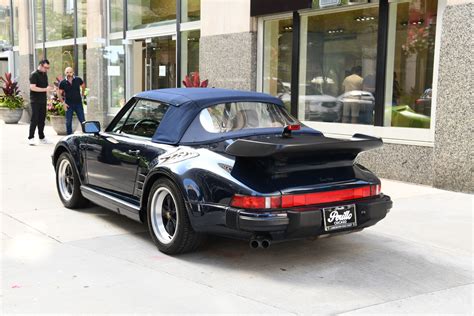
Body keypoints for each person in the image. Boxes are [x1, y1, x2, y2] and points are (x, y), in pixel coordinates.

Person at [28, 59, 54, 145]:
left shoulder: (44, 74)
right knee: (34, 119)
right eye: (46, 67)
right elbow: (32, 87)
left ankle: (41, 138)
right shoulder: (34, 75)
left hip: (43, 100)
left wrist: (50, 95)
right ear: (41, 65)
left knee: (42, 120)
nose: (47, 69)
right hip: (35, 101)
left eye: (48, 68)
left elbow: (46, 87)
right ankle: (31, 138)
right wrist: (45, 89)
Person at [58, 67, 86, 135]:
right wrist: (63, 103)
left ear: (73, 72)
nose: (69, 74)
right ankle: (69, 137)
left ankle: (86, 135)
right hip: (68, 105)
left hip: (78, 103)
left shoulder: (78, 79)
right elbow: (59, 93)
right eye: (67, 72)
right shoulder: (63, 82)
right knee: (68, 122)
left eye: (70, 72)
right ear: (65, 73)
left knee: (82, 120)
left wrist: (82, 94)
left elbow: (83, 85)